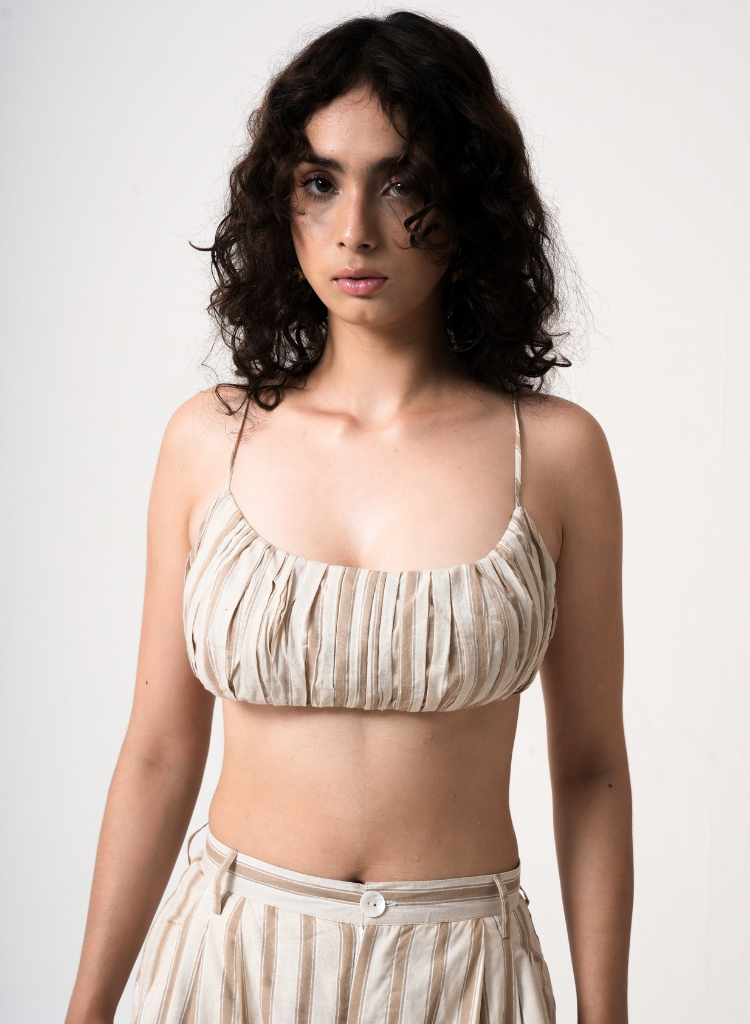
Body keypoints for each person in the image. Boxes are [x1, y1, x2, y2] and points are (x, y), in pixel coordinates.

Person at [65, 11, 632, 1024]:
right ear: (279, 201)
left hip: (461, 975)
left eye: (402, 180)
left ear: (469, 198)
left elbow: (590, 770)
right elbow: (157, 753)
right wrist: (85, 1010)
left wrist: (607, 1015)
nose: (355, 228)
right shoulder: (209, 440)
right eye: (320, 181)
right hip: (230, 964)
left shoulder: (552, 454)